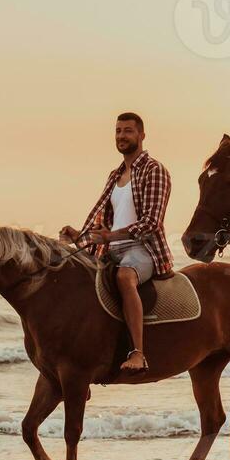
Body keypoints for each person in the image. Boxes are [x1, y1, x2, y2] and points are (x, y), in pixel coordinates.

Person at [61, 112, 173, 372]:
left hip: (142, 249)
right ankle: (79, 358)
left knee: (124, 278)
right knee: (74, 278)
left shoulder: (154, 170)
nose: (122, 136)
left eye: (128, 131)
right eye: (118, 131)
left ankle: (137, 353)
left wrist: (112, 236)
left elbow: (152, 222)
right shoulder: (115, 175)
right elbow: (105, 222)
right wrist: (79, 235)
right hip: (110, 249)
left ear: (141, 135)